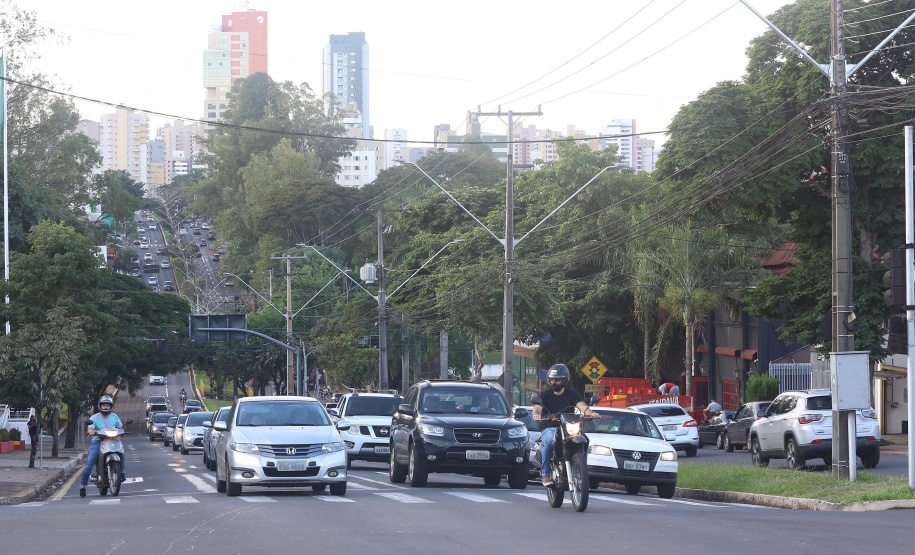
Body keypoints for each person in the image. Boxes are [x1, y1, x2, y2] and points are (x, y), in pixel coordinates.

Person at [533, 364, 598, 487]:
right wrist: (536, 415)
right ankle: (546, 474)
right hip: (550, 427)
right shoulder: (545, 395)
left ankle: (581, 470)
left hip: (569, 428)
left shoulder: (572, 394)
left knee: (584, 440)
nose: (555, 382)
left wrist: (591, 413)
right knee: (551, 441)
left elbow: (583, 407)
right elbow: (537, 410)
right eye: (552, 379)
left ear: (564, 380)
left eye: (557, 379)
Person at [79, 395, 125, 498]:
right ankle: (82, 486)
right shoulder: (94, 418)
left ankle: (121, 472)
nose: (106, 407)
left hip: (112, 440)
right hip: (98, 441)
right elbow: (90, 429)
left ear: (110, 406)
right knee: (89, 463)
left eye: (107, 405)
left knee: (121, 451)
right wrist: (92, 432)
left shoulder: (114, 417)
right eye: (104, 405)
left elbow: (120, 427)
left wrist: (119, 433)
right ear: (100, 406)